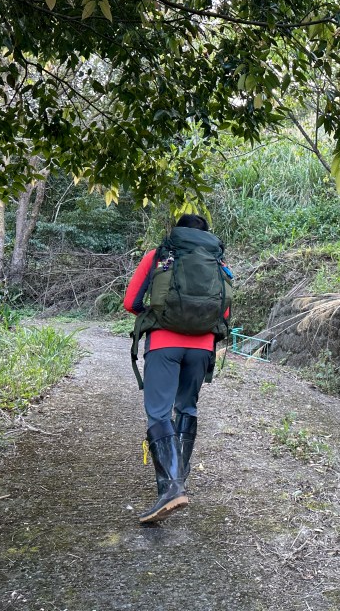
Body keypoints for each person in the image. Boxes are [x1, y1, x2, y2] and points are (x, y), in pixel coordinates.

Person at [123, 213, 228, 524]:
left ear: (177, 231)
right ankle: (177, 480)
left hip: (164, 344)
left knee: (159, 413)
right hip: (202, 347)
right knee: (187, 408)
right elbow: (224, 310)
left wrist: (159, 314)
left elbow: (131, 302)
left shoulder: (159, 255)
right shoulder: (217, 261)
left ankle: (172, 488)